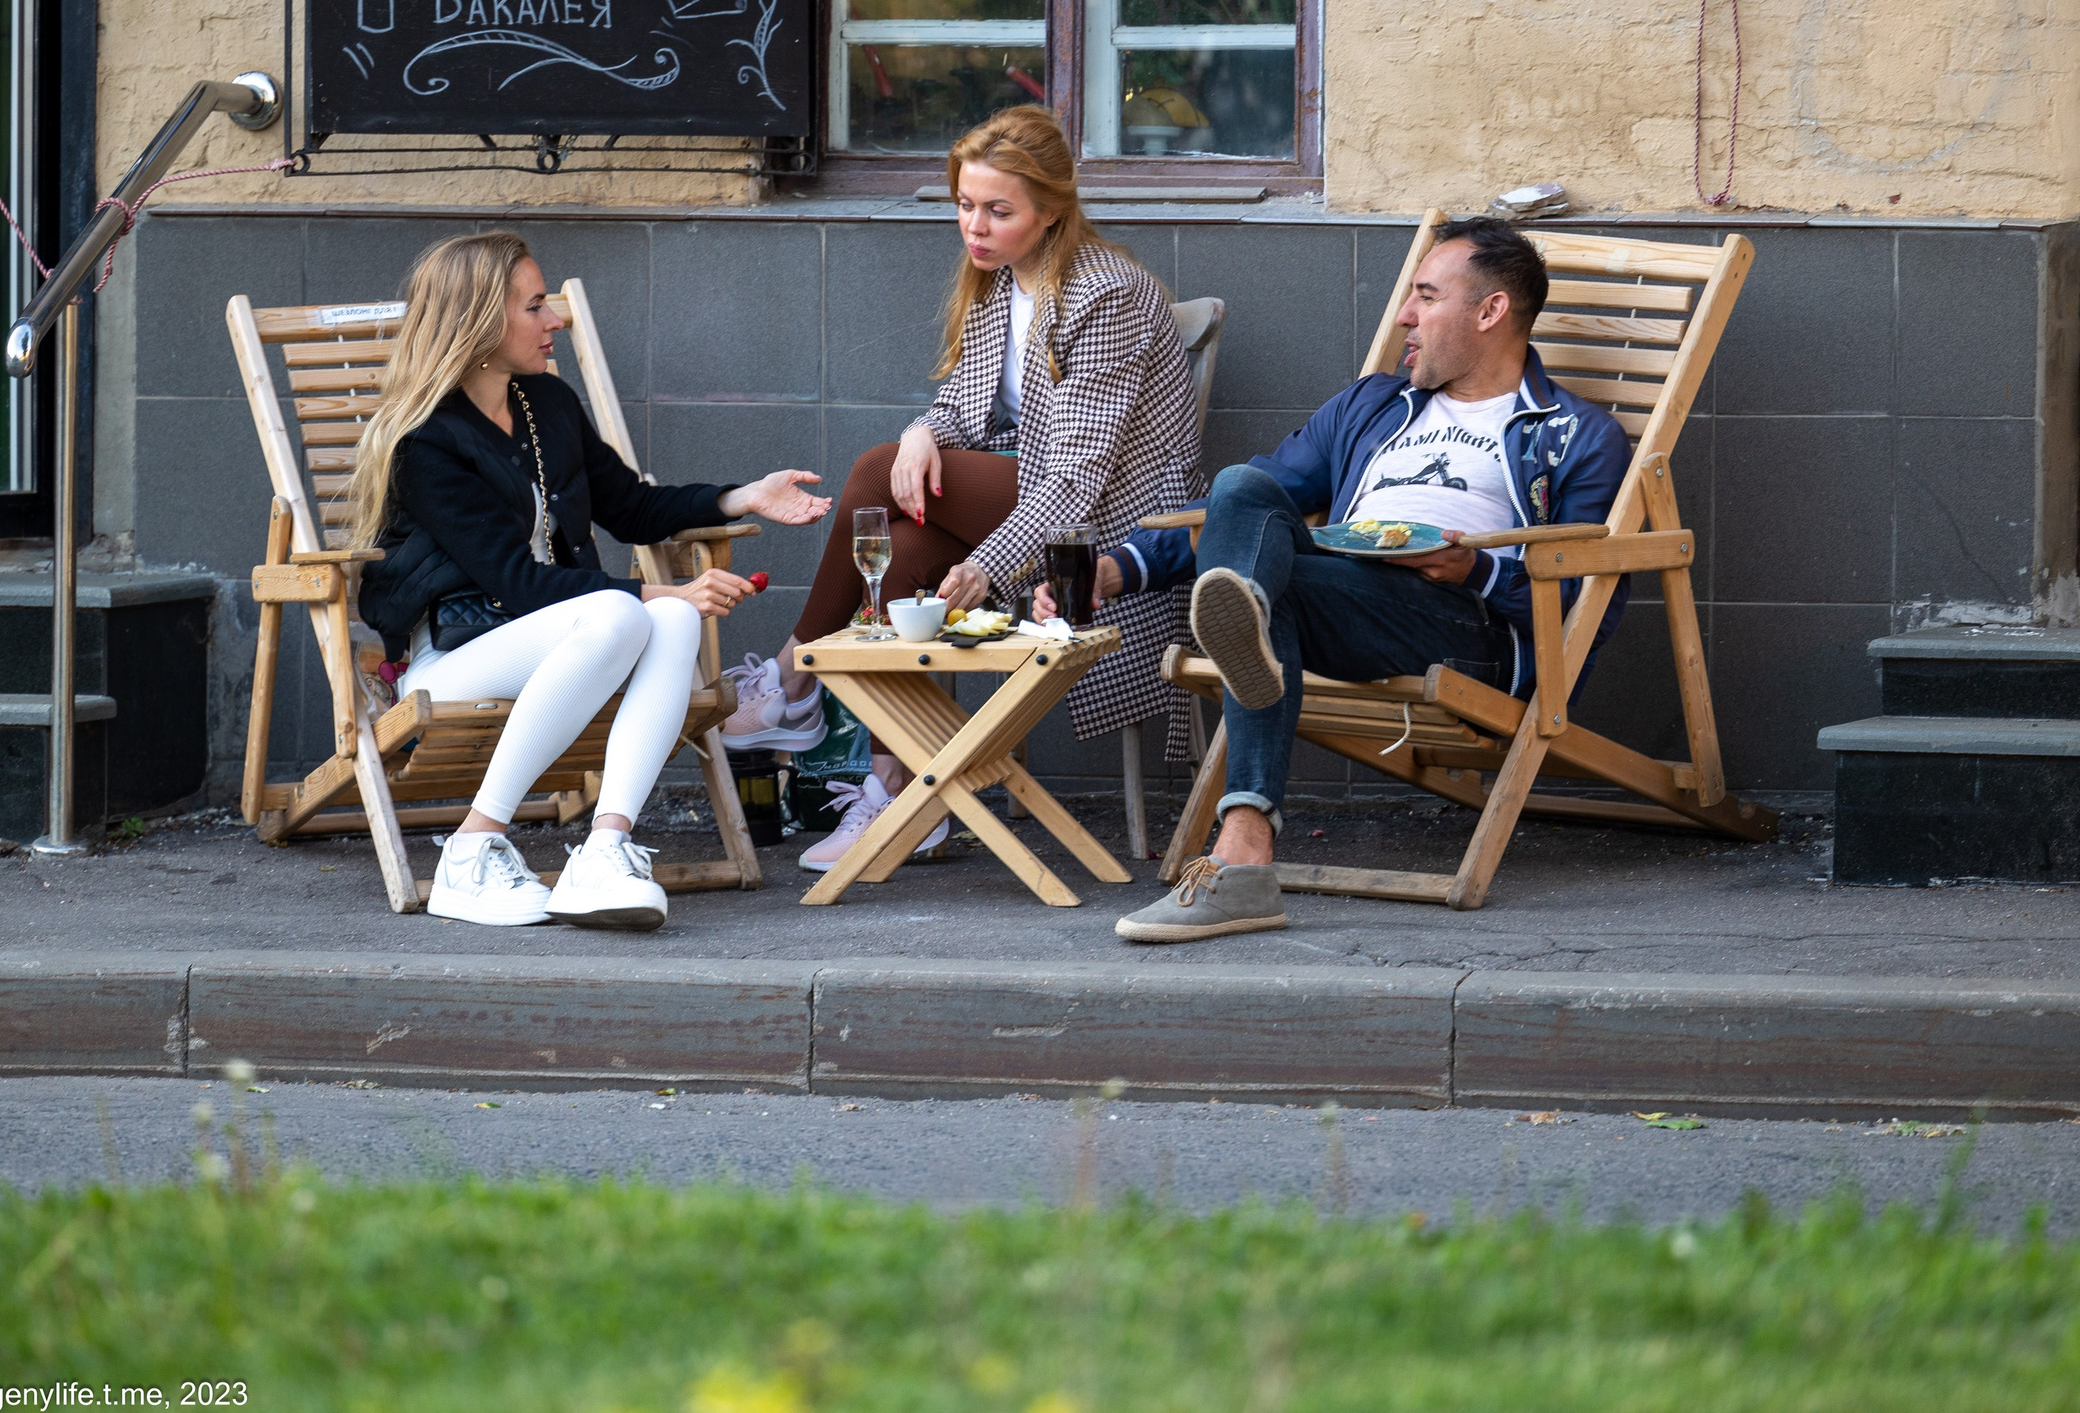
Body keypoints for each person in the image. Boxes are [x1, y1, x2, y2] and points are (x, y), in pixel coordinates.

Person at [1043, 217, 1631, 942]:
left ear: (1490, 311)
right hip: (1338, 594)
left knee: (1262, 590)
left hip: (1458, 622)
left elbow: (1585, 597)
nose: (1406, 316)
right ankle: (1244, 839)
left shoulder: (1576, 433)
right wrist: (1116, 567)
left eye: (1425, 296)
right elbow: (1251, 503)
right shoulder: (1371, 404)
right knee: (1240, 487)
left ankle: (1247, 654)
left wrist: (1475, 566)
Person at [718, 105, 1203, 872]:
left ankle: (794, 677)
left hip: (1106, 523)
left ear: (1051, 211)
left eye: (998, 211)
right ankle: (904, 791)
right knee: (904, 544)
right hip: (1036, 490)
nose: (974, 227)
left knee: (875, 475)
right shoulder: (998, 280)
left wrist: (988, 564)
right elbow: (964, 409)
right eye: (965, 205)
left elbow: (1078, 476)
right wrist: (923, 431)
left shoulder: (1107, 294)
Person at [353, 233, 830, 931]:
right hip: (454, 656)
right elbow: (517, 583)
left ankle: (605, 848)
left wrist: (744, 495)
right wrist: (651, 593)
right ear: (480, 320)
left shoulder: (546, 404)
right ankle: (472, 847)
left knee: (668, 621)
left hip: (566, 641)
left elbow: (631, 507)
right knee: (631, 613)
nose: (557, 320)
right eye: (535, 306)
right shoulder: (427, 443)